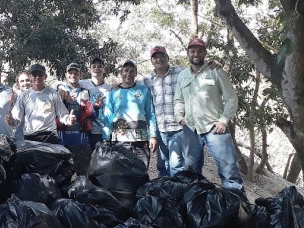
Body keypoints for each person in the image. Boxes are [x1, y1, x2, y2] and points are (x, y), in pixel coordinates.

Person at [174, 38, 244, 191]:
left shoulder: (216, 71)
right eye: (192, 51)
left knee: (229, 170)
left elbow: (231, 98)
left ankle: (239, 208)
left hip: (214, 127)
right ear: (188, 53)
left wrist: (224, 120)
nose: (196, 54)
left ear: (205, 53)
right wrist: (180, 118)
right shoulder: (183, 75)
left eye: (199, 51)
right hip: (191, 129)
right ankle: (194, 206)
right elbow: (178, 100)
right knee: (191, 172)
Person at [142, 46, 204, 177]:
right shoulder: (147, 80)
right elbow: (131, 88)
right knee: (162, 166)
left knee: (176, 164)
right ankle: (165, 194)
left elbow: (198, 71)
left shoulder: (181, 72)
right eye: (155, 57)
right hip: (160, 130)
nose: (159, 59)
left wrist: (211, 64)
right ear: (152, 61)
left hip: (179, 128)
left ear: (167, 58)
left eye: (162, 56)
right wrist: (116, 87)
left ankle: (177, 193)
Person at [102, 60, 157, 168]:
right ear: (121, 73)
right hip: (120, 141)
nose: (128, 74)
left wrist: (153, 135)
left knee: (141, 173)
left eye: (132, 71)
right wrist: (106, 139)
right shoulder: (113, 92)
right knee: (122, 174)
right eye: (126, 71)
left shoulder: (144, 90)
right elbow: (108, 116)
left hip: (140, 140)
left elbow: (150, 114)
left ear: (135, 73)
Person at [6, 64, 76, 144]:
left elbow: (62, 114)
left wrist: (69, 119)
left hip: (49, 137)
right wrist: (10, 120)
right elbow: (16, 120)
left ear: (45, 76)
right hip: (30, 138)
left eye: (40, 74)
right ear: (30, 77)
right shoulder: (23, 96)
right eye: (34, 74)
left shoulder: (53, 94)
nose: (37, 77)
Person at [56, 63, 94, 176]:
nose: (73, 75)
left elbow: (92, 115)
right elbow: (54, 113)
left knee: (83, 176)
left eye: (76, 72)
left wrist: (95, 107)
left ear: (79, 75)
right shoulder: (59, 92)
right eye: (70, 73)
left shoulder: (86, 92)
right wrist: (65, 102)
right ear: (65, 75)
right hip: (63, 141)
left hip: (81, 141)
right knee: (62, 177)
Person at [79, 57, 113, 150]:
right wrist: (60, 86)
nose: (97, 69)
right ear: (90, 70)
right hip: (89, 129)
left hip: (105, 130)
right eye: (94, 66)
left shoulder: (110, 88)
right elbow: (68, 83)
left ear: (104, 69)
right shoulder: (83, 84)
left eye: (100, 66)